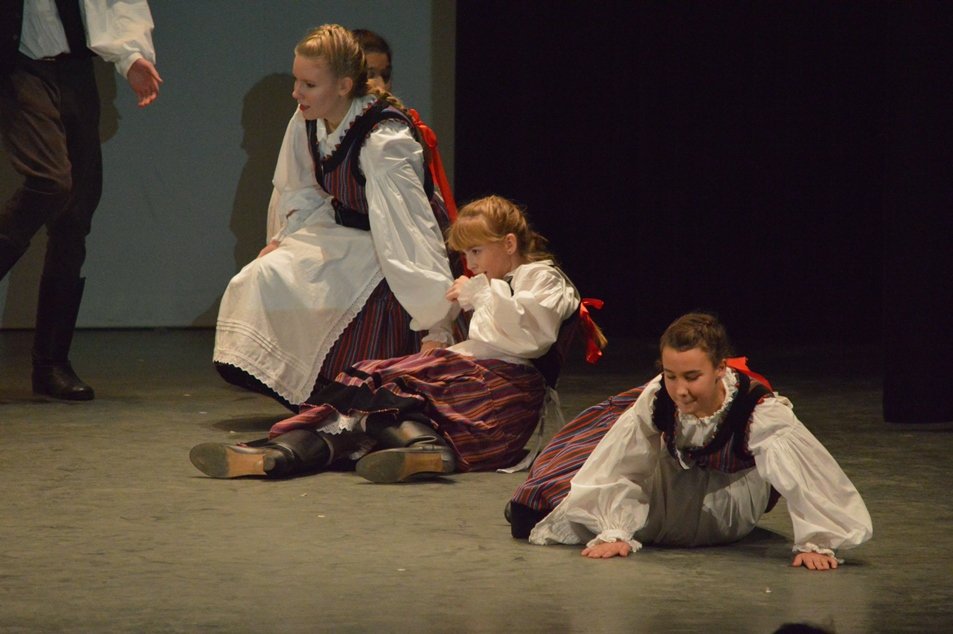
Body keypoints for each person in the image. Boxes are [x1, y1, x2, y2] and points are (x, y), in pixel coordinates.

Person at [191, 195, 605, 483]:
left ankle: (426, 447)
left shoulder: (543, 279)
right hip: (478, 381)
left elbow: (529, 337)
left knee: (388, 387)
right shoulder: (495, 282)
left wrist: (478, 294)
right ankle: (281, 455)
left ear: (509, 243)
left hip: (502, 400)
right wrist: (443, 334)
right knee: (366, 392)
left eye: (477, 252)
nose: (471, 264)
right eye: (466, 255)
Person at [214, 24, 457, 410]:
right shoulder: (307, 120)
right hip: (345, 227)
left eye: (309, 84)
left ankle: (357, 392)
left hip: (392, 240)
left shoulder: (383, 142)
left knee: (353, 287)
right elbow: (301, 191)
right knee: (262, 276)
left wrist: (436, 323)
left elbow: (411, 232)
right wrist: (283, 239)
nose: (296, 93)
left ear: (344, 86)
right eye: (296, 81)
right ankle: (316, 392)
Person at [512, 312, 872, 571]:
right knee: (535, 511)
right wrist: (614, 529)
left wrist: (818, 541)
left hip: (730, 503)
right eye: (671, 375)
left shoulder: (758, 409)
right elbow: (622, 460)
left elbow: (805, 476)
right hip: (677, 484)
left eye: (692, 376)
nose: (680, 390)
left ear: (720, 368)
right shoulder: (659, 396)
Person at [0, 0, 161, 400]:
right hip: (17, 67)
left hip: (73, 68)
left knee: (75, 212)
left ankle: (51, 364)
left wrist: (131, 56)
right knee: (51, 181)